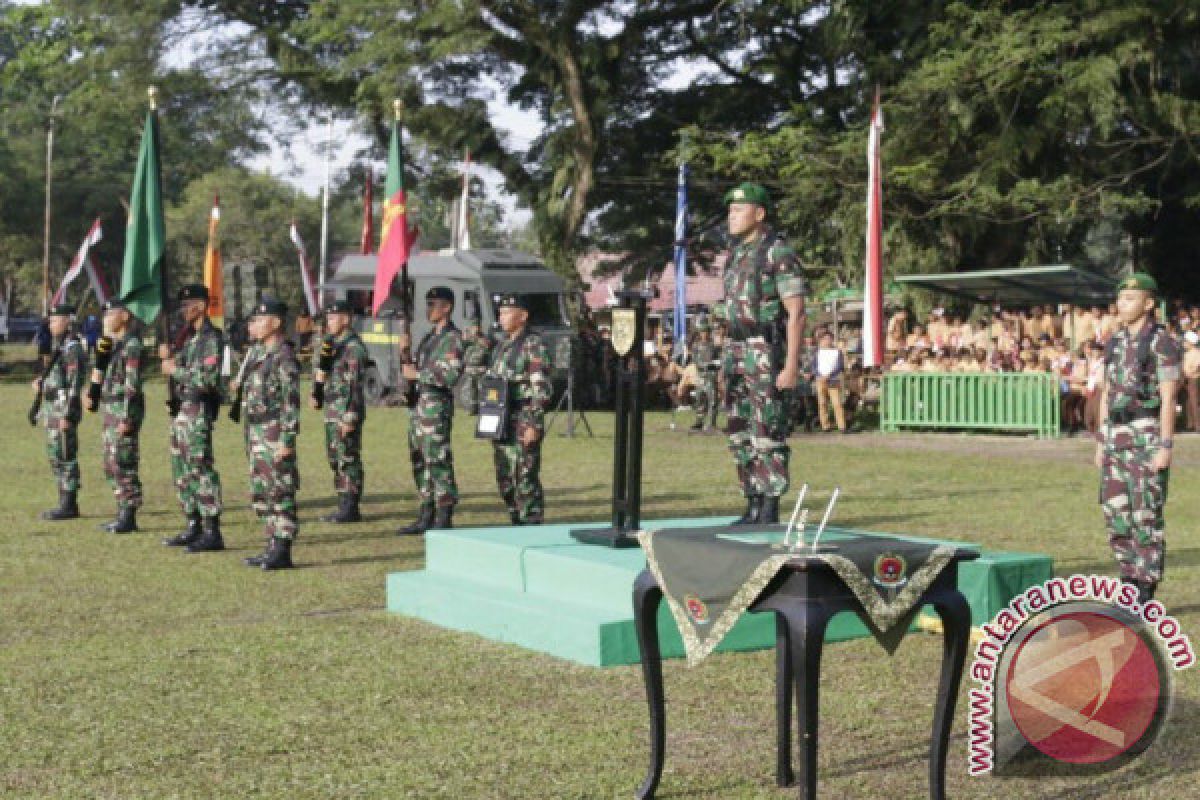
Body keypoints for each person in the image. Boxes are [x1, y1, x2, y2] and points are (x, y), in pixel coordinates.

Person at [716, 182, 806, 525]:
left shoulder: (777, 253)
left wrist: (791, 366)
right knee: (739, 429)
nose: (732, 216)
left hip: (765, 349)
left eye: (739, 210)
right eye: (730, 211)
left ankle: (769, 505)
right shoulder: (736, 255)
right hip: (737, 348)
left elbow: (796, 313)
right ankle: (751, 501)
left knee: (768, 427)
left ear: (760, 213)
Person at [1094, 273, 1181, 604]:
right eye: (1120, 298)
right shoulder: (1115, 341)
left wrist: (1166, 445)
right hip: (1116, 436)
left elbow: (1169, 395)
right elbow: (1107, 392)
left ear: (1148, 304)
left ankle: (1145, 587)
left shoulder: (1161, 342)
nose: (1121, 304)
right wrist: (1102, 440)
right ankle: (1128, 579)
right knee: (1115, 512)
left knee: (1146, 513)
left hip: (1146, 434)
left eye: (1130, 298)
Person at [235, 299, 301, 570]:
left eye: (260, 320)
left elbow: (291, 402)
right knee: (261, 490)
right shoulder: (259, 354)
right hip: (256, 429)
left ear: (276, 323)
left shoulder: (284, 356)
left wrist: (287, 439)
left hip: (274, 430)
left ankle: (283, 548)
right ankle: (271, 544)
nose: (255, 325)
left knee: (279, 488)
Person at [161, 284, 226, 552]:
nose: (183, 311)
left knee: (199, 467)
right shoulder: (189, 338)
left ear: (200, 306)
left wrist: (175, 370)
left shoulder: (212, 338)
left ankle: (212, 530)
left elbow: (208, 380)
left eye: (187, 305)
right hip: (182, 411)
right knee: (182, 469)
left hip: (197, 410)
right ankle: (193, 523)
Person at [398, 287, 465, 535]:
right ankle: (426, 511)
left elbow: (450, 375)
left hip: (435, 408)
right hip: (418, 406)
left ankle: (444, 513)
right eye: (427, 304)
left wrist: (418, 374)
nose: (428, 309)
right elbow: (410, 371)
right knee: (419, 460)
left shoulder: (453, 338)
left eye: (433, 304)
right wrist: (404, 352)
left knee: (437, 460)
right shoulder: (428, 338)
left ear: (446, 307)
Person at [484, 294, 551, 525]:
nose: (501, 317)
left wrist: (533, 423)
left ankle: (531, 522)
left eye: (507, 312)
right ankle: (515, 519)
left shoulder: (532, 344)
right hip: (502, 418)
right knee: (504, 476)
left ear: (522, 316)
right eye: (500, 312)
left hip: (523, 417)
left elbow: (541, 388)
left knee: (524, 475)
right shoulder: (503, 345)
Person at [89, 299, 144, 533]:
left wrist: (128, 418)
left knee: (123, 461)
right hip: (110, 409)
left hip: (123, 410)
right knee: (110, 463)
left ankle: (128, 515)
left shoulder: (132, 345)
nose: (106, 319)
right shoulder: (112, 344)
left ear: (124, 316)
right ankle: (121, 509)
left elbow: (132, 386)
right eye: (105, 315)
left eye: (111, 314)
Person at [312, 299, 368, 524]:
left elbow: (354, 385)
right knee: (335, 458)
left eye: (334, 318)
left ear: (346, 319)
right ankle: (342, 501)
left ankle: (351, 505)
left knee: (348, 458)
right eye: (328, 318)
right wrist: (317, 390)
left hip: (346, 412)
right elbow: (325, 373)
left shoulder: (354, 348)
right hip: (332, 409)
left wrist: (350, 417)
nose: (329, 322)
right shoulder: (332, 345)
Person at [33, 303, 86, 520]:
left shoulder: (72, 348)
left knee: (65, 455)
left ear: (67, 321)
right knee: (56, 455)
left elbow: (74, 384)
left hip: (63, 410)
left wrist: (68, 415)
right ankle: (62, 499)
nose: (51, 324)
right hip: (52, 409)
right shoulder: (59, 346)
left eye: (55, 320)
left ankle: (69, 503)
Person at [689, 316, 721, 432]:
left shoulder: (714, 346)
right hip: (701, 376)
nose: (705, 334)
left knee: (713, 400)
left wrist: (715, 364)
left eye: (706, 332)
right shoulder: (696, 346)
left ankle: (712, 423)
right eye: (703, 332)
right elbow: (696, 361)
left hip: (711, 377)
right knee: (699, 400)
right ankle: (699, 421)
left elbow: (719, 360)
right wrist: (706, 364)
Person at [813, 329, 847, 433]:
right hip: (820, 379)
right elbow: (814, 366)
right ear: (821, 340)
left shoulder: (837, 352)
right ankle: (825, 426)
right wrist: (819, 375)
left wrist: (829, 375)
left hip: (833, 380)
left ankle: (842, 426)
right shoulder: (817, 352)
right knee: (822, 403)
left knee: (837, 403)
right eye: (825, 338)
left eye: (829, 338)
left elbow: (840, 366)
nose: (827, 340)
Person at [1182, 331, 1200, 433]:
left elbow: (1197, 366)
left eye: (1185, 341)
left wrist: (1189, 372)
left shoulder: (1197, 353)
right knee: (1188, 402)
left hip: (1193, 379)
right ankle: (1190, 424)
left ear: (1191, 342)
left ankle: (1198, 425)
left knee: (1194, 402)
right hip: (1186, 379)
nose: (1184, 344)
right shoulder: (1186, 353)